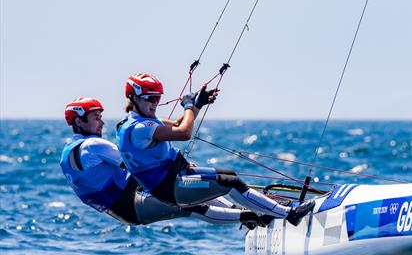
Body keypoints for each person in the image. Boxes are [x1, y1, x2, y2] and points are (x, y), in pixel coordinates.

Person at [116, 73, 314, 225]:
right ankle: (290, 215)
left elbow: (177, 124)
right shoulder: (141, 128)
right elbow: (184, 133)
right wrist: (187, 106)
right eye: (150, 99)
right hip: (171, 188)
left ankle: (262, 215)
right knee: (230, 181)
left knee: (228, 179)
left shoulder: (138, 123)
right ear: (133, 98)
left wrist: (197, 105)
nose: (155, 103)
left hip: (175, 179)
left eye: (157, 98)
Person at [60, 97, 265, 228]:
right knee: (190, 204)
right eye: (96, 117)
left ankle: (243, 212)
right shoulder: (94, 145)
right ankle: (252, 217)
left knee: (193, 191)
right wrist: (175, 166)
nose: (102, 122)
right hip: (133, 203)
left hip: (122, 211)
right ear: (79, 122)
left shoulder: (66, 154)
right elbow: (134, 164)